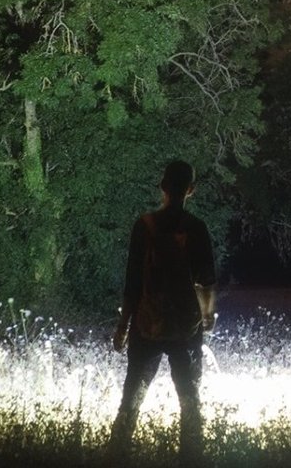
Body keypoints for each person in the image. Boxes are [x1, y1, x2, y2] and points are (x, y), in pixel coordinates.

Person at [110, 159, 216, 461]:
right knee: (190, 401)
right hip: (186, 328)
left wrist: (123, 326)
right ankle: (192, 459)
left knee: (131, 398)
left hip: (147, 324)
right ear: (190, 190)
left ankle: (117, 457)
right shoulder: (196, 228)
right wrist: (207, 314)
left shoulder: (144, 227)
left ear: (162, 187)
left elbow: (132, 281)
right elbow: (207, 280)